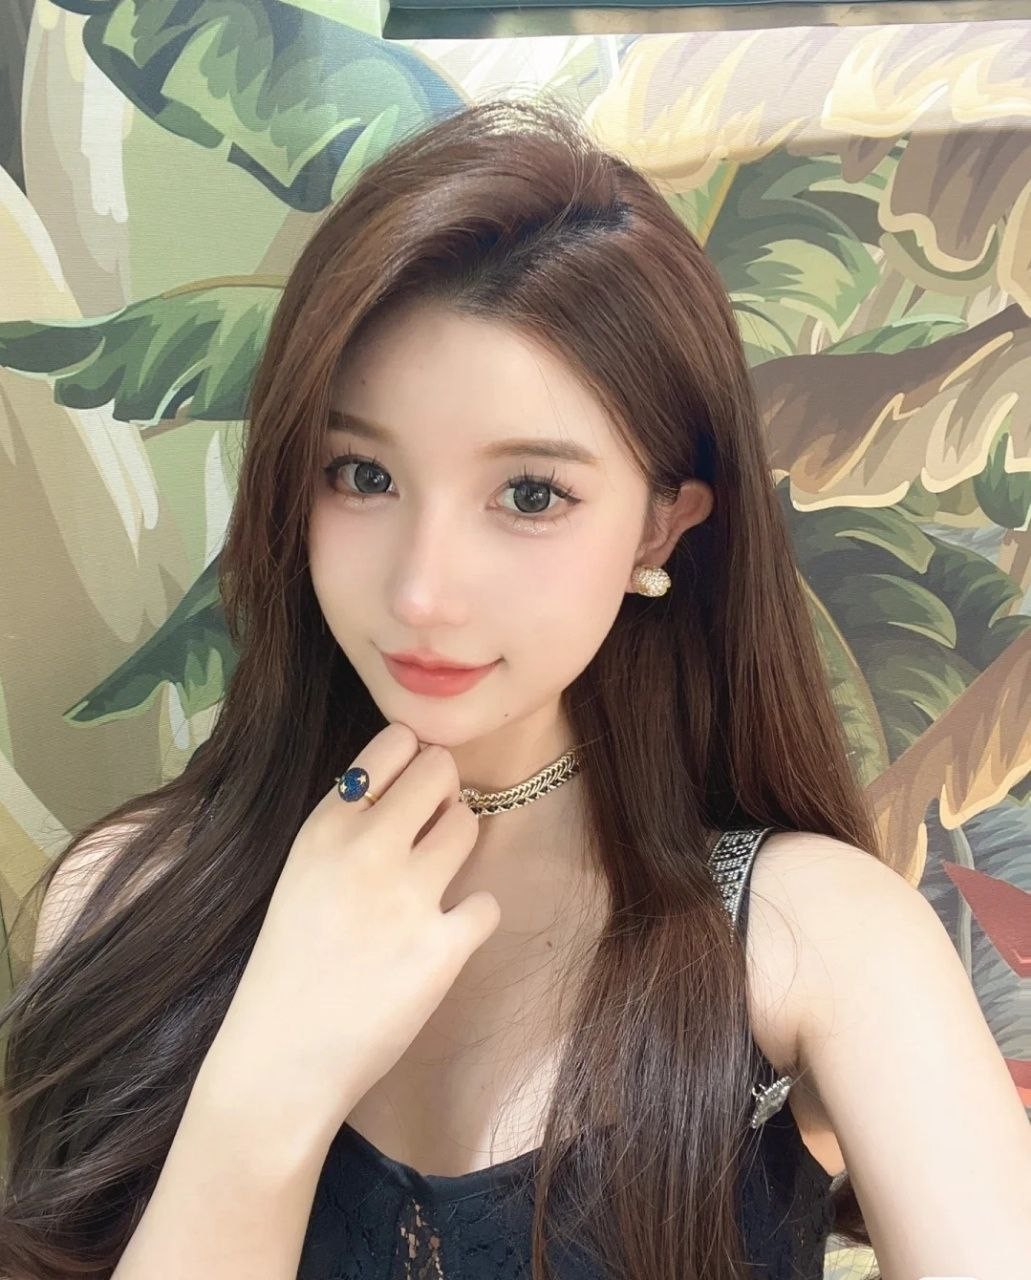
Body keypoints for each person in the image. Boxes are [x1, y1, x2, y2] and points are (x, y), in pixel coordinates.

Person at [1, 94, 1028, 1280]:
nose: (423, 590)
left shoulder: (815, 938)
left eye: (530, 494)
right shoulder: (129, 902)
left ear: (659, 525)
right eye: (362, 473)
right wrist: (264, 1082)